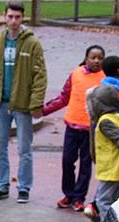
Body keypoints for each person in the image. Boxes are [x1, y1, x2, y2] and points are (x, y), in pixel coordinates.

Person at [0, 3, 47, 203]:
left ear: (23, 18)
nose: (14, 21)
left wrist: (36, 103)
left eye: (17, 17)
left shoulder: (32, 43)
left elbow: (40, 75)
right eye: (10, 16)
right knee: (0, 148)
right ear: (4, 17)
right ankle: (1, 185)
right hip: (1, 103)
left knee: (24, 149)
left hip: (22, 105)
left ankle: (24, 187)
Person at [41, 45, 106, 212]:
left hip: (91, 129)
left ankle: (79, 197)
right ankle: (68, 194)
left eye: (100, 58)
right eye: (93, 57)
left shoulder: (105, 78)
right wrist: (44, 110)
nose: (96, 61)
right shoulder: (76, 74)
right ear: (86, 58)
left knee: (86, 164)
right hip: (72, 125)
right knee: (67, 161)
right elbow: (64, 97)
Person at [85, 82, 119, 222]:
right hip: (114, 170)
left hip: (111, 170)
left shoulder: (106, 122)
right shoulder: (116, 116)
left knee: (103, 201)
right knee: (113, 201)